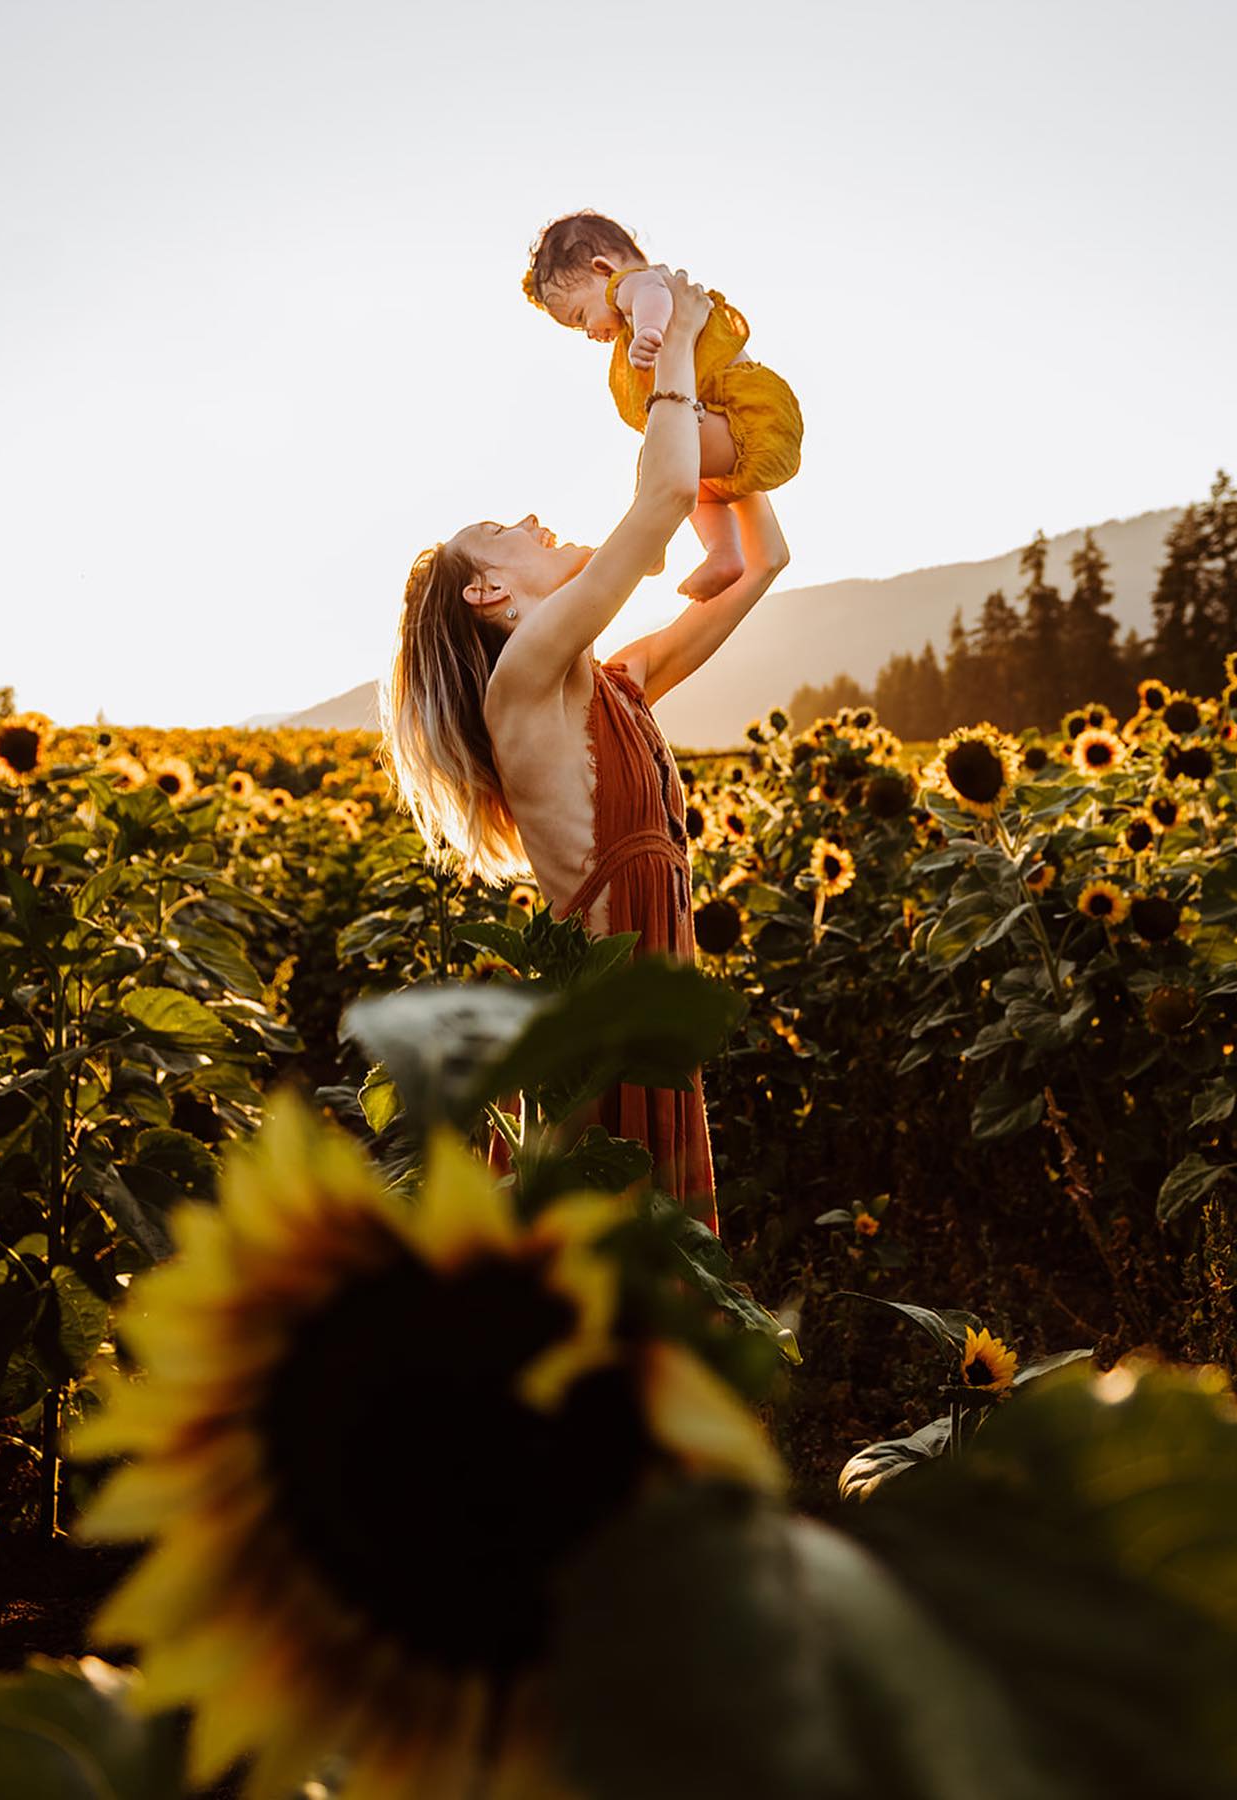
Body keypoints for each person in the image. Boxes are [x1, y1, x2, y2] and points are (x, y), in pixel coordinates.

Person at [379, 270, 790, 1234]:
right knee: (606, 1265)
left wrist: (729, 422)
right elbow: (661, 502)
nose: (531, 520)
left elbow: (764, 563)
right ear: (489, 596)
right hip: (600, 1015)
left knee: (641, 1269)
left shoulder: (620, 681)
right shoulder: (519, 682)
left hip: (646, 1003)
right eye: (501, 533)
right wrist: (675, 343)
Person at [522, 211, 803, 603]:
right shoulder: (631, 309)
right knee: (692, 482)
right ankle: (724, 554)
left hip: (747, 419)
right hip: (739, 428)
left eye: (582, 316)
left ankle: (651, 539)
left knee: (658, 452)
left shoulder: (632, 285)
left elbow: (651, 295)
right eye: (578, 328)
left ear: (603, 269)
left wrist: (650, 330)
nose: (588, 332)